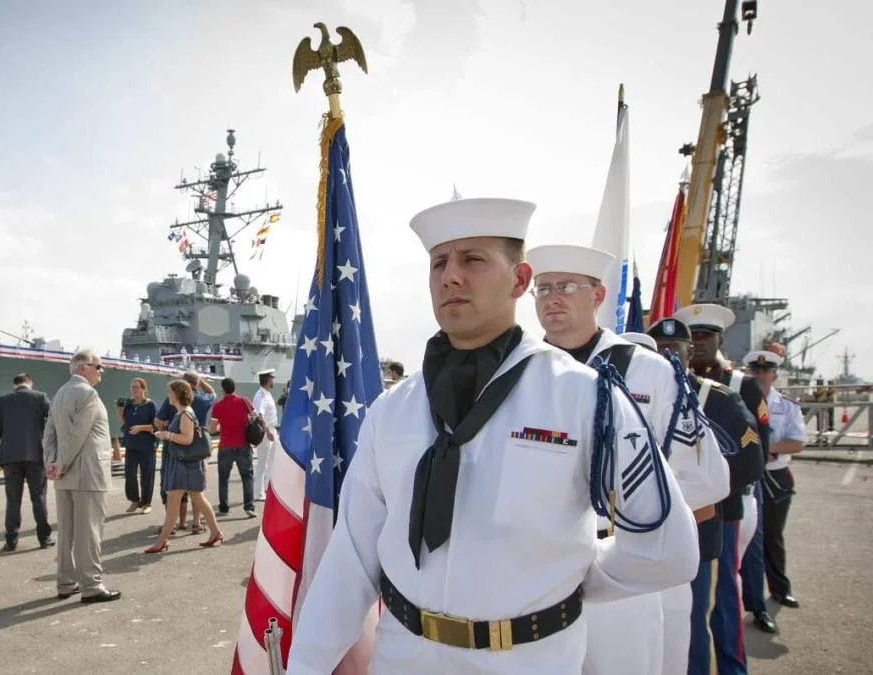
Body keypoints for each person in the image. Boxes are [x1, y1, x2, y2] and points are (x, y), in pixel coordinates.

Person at [285, 197, 698, 673]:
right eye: (439, 262)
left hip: (527, 659)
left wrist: (568, 576)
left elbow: (669, 549)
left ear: (520, 280)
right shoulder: (393, 410)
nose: (450, 276)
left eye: (473, 260)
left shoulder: (584, 398)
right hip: (403, 658)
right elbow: (351, 560)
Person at [526, 244, 730, 675]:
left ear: (598, 296)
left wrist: (635, 529)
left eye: (566, 287)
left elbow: (705, 479)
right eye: (542, 290)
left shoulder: (650, 372)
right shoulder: (519, 373)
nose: (552, 299)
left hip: (622, 566)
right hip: (537, 565)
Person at [646, 318, 767, 675]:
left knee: (697, 615)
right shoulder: (631, 396)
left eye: (676, 350)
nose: (668, 356)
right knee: (652, 619)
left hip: (704, 525)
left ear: (689, 354)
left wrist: (700, 493)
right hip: (647, 530)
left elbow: (748, 463)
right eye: (660, 350)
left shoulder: (717, 398)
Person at [42, 349, 121, 603]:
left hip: (64, 475)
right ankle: (92, 585)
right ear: (83, 367)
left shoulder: (59, 394)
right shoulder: (88, 394)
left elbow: (49, 434)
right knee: (89, 531)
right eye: (98, 366)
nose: (101, 371)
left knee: (66, 532)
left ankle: (65, 582)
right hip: (87, 473)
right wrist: (62, 464)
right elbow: (79, 434)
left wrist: (52, 463)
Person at [742, 350, 805, 610]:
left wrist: (765, 448)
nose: (760, 375)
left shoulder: (787, 406)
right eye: (755, 370)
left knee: (772, 536)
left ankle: (780, 589)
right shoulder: (739, 402)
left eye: (765, 370)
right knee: (745, 539)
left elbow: (797, 442)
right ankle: (749, 596)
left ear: (774, 374)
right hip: (746, 477)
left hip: (775, 476)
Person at [146, 379, 225, 553]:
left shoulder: (184, 415)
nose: (168, 396)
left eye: (170, 392)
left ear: (177, 394)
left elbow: (187, 439)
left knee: (178, 500)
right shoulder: (182, 413)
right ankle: (215, 533)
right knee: (196, 499)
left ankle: (162, 541)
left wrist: (166, 435)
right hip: (185, 464)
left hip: (184, 465)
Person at [0, 373, 54, 552]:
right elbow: (54, 419)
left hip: (10, 458)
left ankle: (11, 541)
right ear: (30, 383)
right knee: (39, 497)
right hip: (35, 456)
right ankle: (44, 538)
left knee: (13, 500)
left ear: (13, 384)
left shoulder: (0, 401)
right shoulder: (40, 397)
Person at [209, 377, 257, 518]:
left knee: (223, 479)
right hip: (243, 444)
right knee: (247, 477)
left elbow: (212, 429)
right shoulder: (245, 401)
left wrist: (220, 427)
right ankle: (249, 506)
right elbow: (255, 417)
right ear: (234, 387)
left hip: (225, 446)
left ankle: (224, 508)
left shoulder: (218, 406)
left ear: (223, 389)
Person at [117, 377, 159, 515]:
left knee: (147, 475)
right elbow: (125, 424)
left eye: (136, 387)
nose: (134, 390)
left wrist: (141, 428)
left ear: (144, 389)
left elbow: (157, 426)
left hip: (147, 445)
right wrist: (119, 412)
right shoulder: (129, 405)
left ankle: (146, 503)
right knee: (129, 474)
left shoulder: (151, 405)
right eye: (132, 387)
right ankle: (134, 500)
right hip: (131, 445)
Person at [251, 369, 279, 502]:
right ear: (268, 380)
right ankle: (258, 493)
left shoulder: (267, 394)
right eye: (272, 378)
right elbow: (259, 415)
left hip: (272, 430)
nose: (273, 381)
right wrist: (268, 431)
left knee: (273, 460)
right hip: (265, 432)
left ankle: (268, 486)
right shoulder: (260, 395)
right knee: (262, 462)